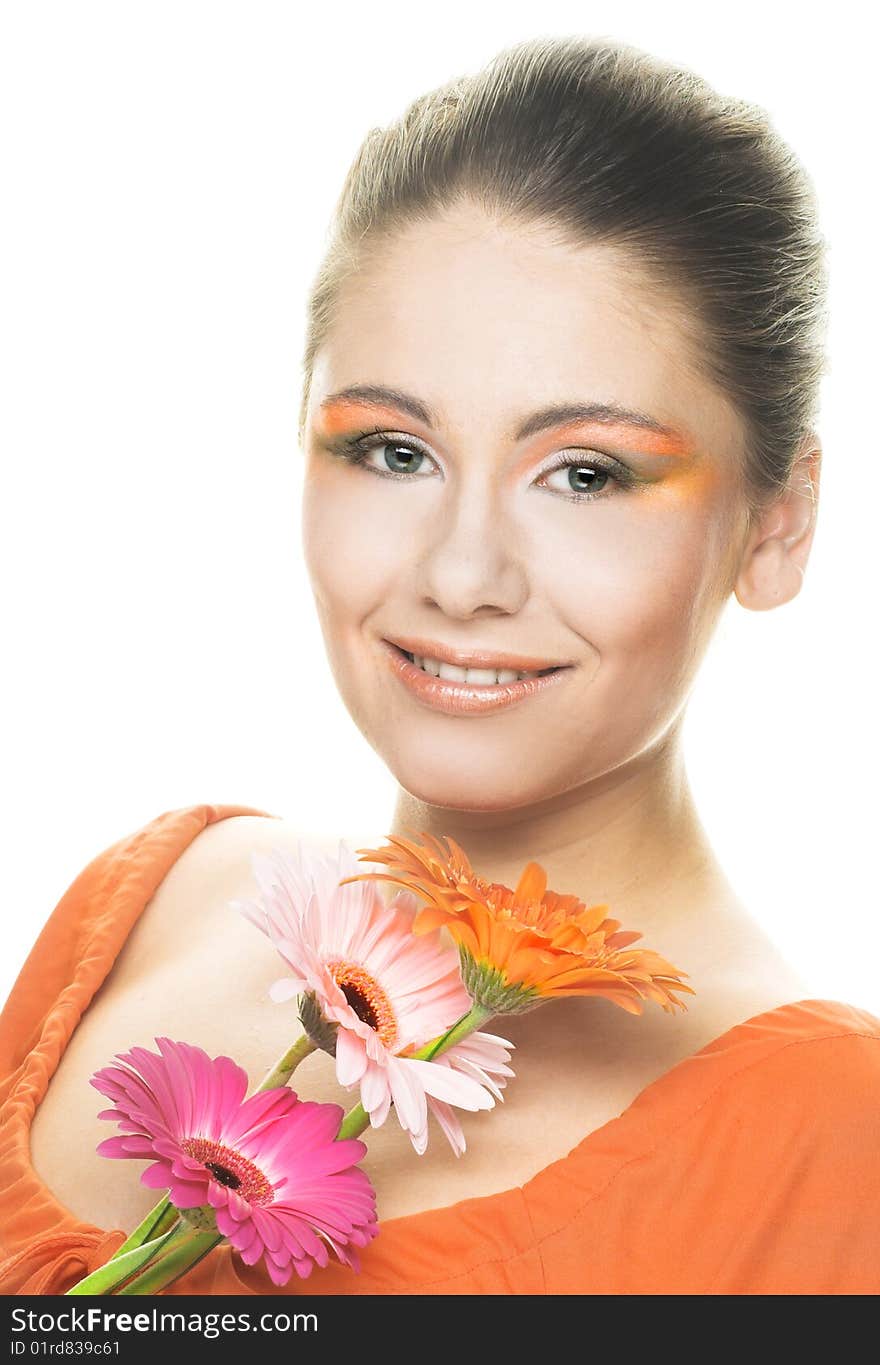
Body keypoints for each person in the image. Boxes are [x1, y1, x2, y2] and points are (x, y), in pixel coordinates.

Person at [2, 34, 878, 1297]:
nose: (461, 574)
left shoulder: (822, 1142)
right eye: (393, 452)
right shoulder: (149, 906)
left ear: (776, 522)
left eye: (585, 474)